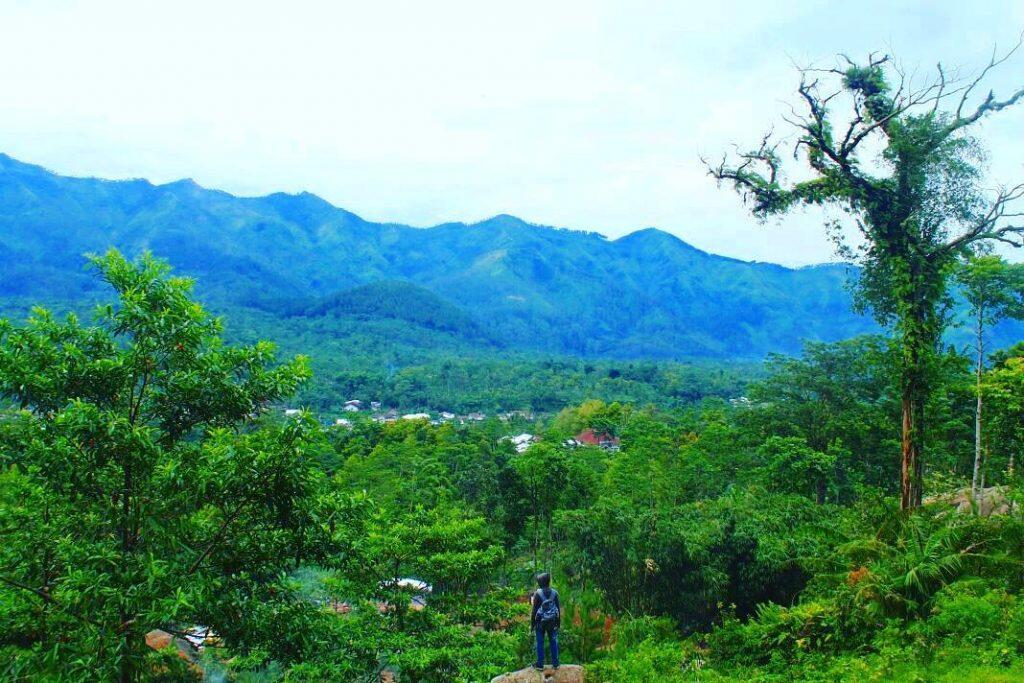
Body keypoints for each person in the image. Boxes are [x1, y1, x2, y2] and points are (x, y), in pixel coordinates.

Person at [530, 572, 560, 670]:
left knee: (540, 643)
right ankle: (556, 664)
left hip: (540, 623)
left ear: (541, 582)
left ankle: (540, 665)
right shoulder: (555, 593)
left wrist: (532, 625)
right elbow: (558, 609)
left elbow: (534, 611)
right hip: (552, 622)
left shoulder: (538, 594)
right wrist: (558, 623)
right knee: (553, 641)